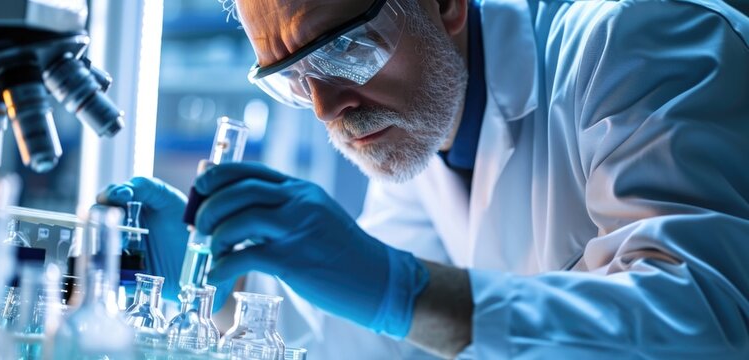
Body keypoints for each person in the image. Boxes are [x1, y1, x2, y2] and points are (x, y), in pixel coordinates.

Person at [100, 0, 749, 358]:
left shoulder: (639, 41)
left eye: (345, 48)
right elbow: (371, 343)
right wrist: (233, 296)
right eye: (295, 78)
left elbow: (707, 322)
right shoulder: (419, 129)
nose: (329, 107)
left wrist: (398, 288)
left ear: (444, 5)